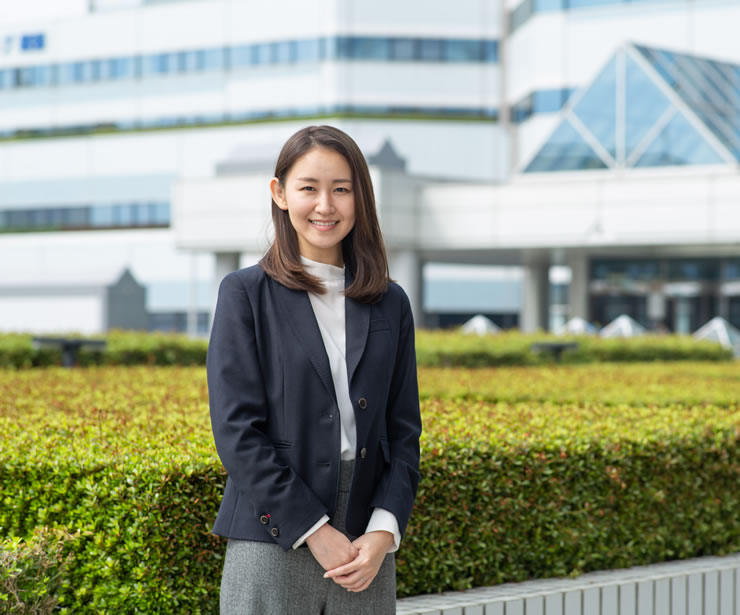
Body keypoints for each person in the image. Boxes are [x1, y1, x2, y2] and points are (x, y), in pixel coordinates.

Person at [207, 125, 422, 614]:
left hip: (365, 545)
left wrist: (384, 531)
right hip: (273, 533)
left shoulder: (391, 302)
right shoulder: (244, 295)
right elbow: (237, 431)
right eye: (309, 188)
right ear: (280, 194)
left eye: (341, 189)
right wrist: (312, 528)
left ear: (360, 198)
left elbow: (403, 430)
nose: (326, 205)